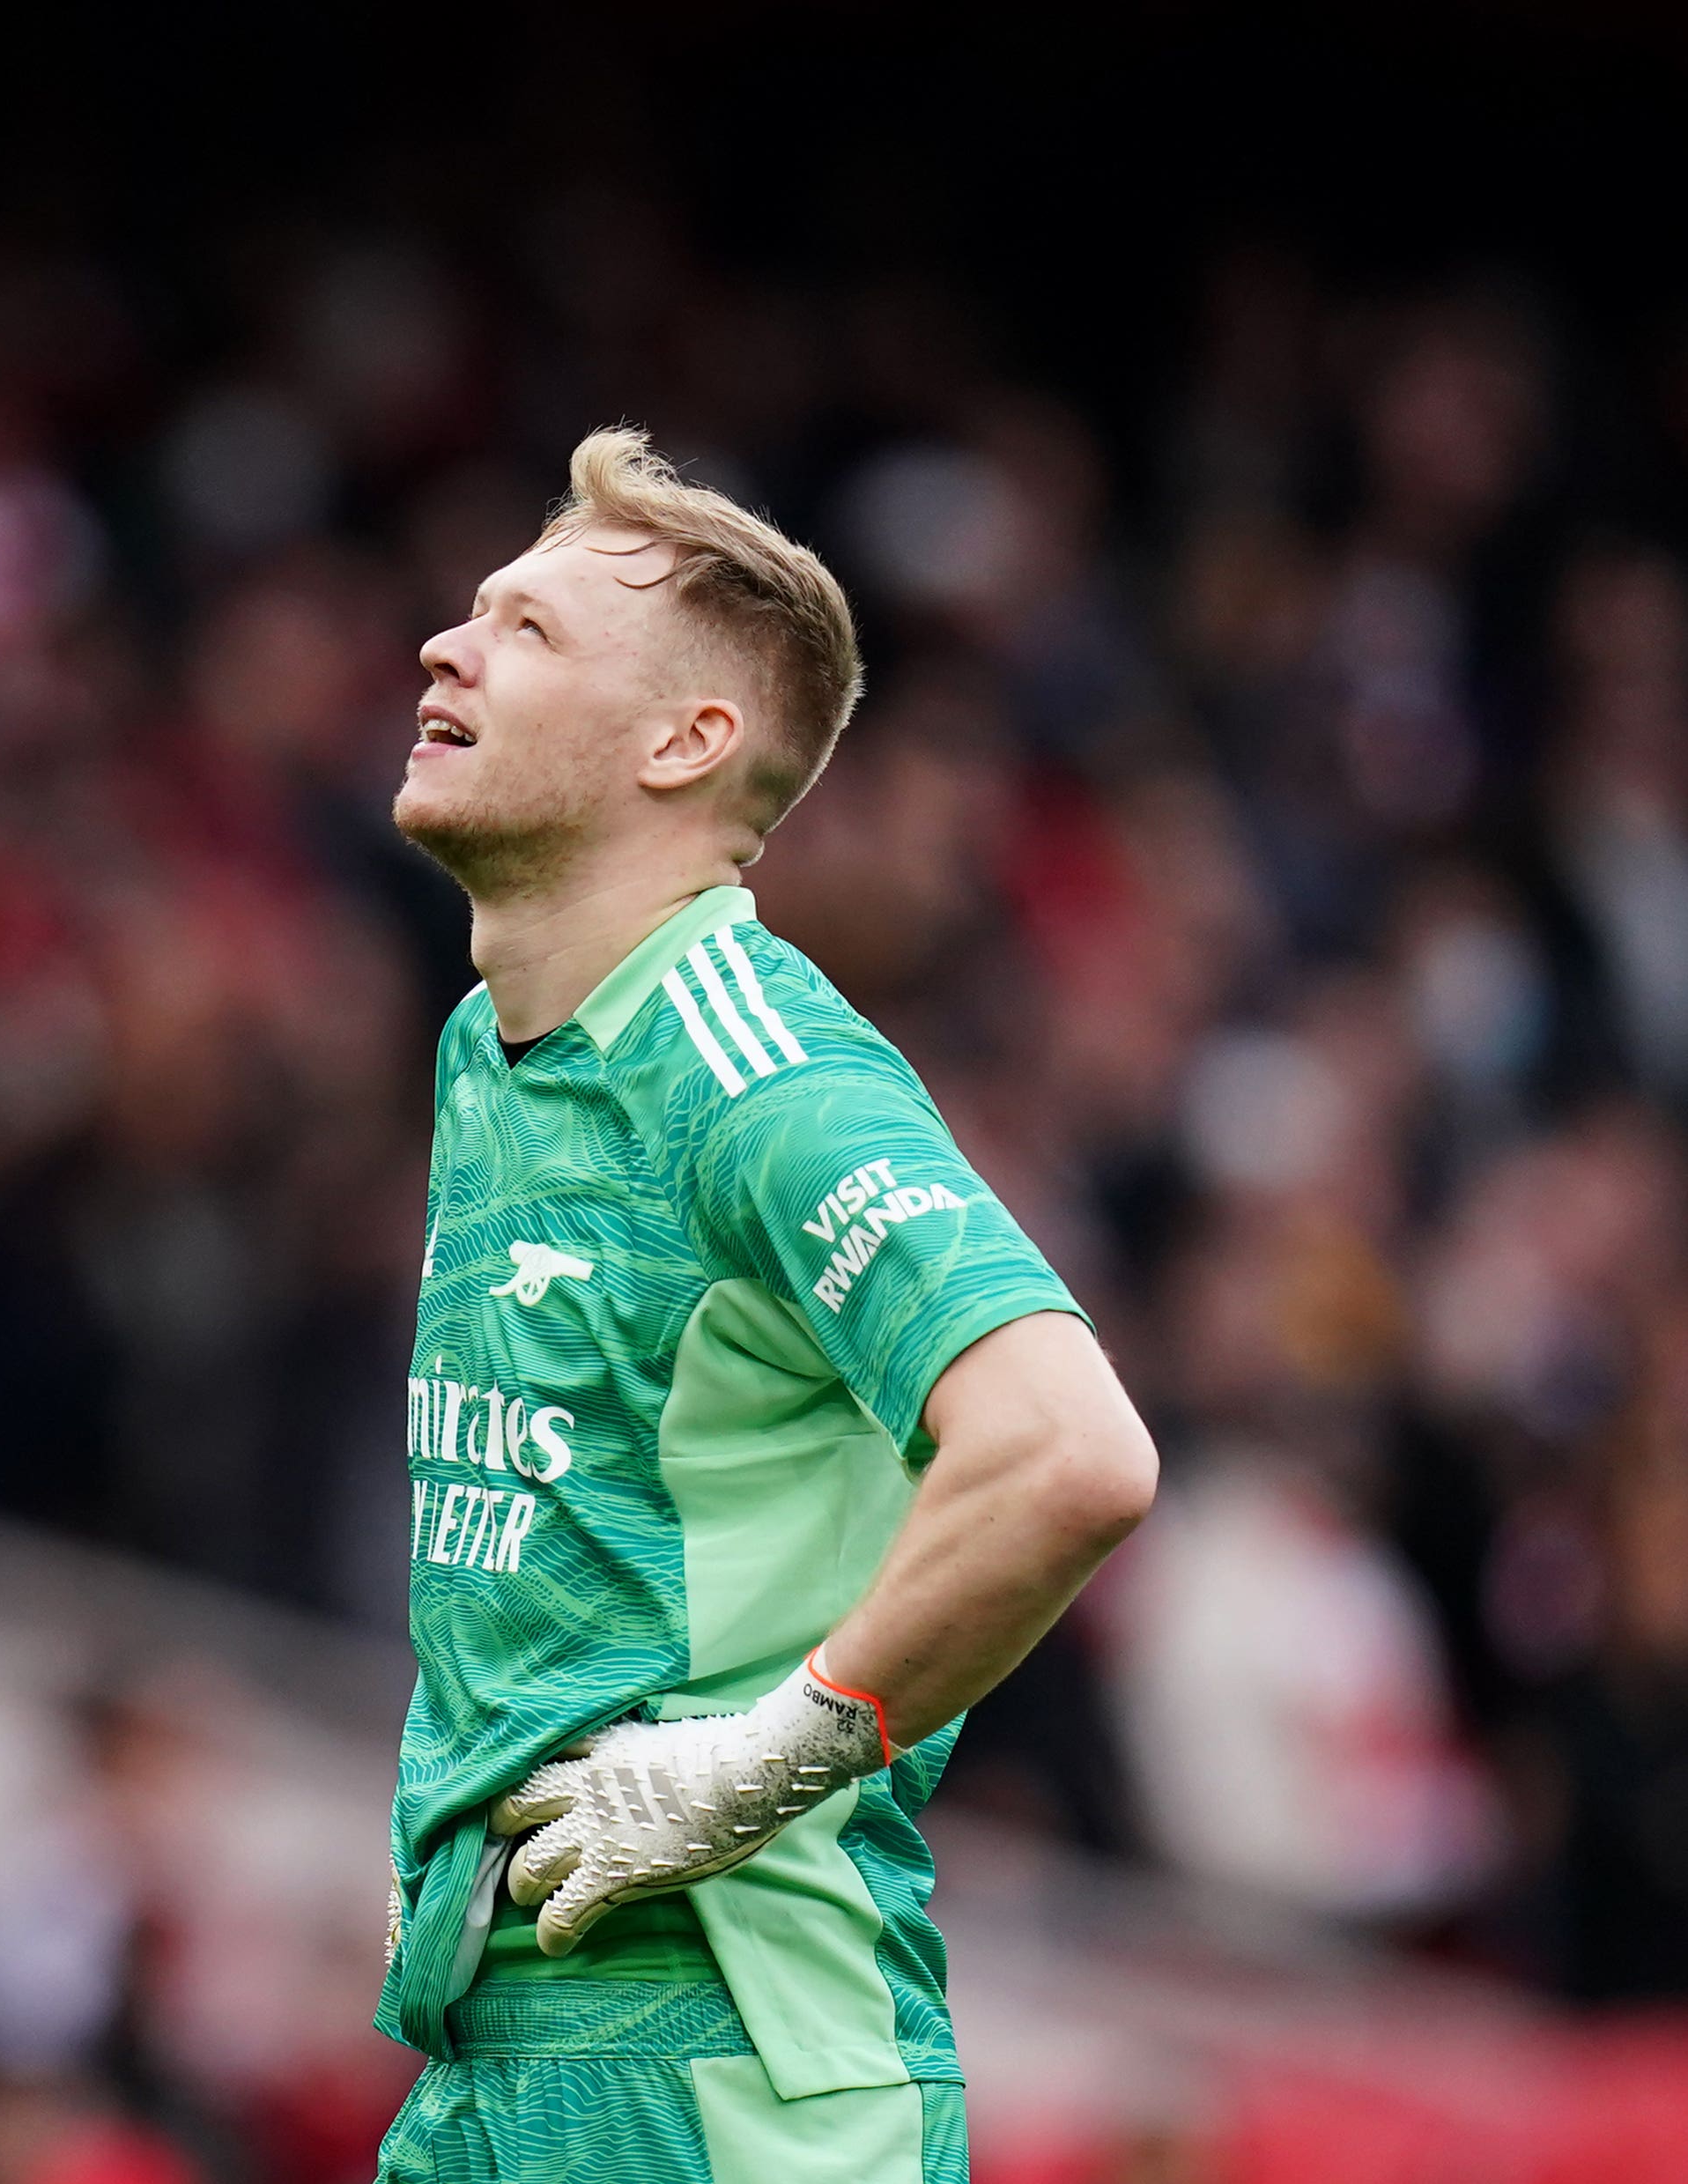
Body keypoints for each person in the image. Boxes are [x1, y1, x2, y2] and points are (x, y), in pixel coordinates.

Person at [371, 429, 1158, 2182]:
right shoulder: (488, 1052)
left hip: (729, 2072)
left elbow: (1066, 1452)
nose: (444, 646)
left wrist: (769, 1751)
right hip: (492, 2052)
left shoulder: (757, 1072)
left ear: (685, 741)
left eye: (528, 629)